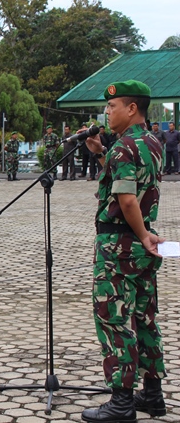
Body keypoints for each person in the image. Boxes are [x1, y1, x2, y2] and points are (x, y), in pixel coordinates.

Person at [82, 80, 167, 422]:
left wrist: (143, 234)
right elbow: (125, 182)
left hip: (120, 246)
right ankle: (153, 395)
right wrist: (100, 152)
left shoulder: (123, 147)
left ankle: (121, 403)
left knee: (113, 319)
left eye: (112, 107)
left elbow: (126, 198)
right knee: (145, 318)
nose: (107, 112)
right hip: (140, 248)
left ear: (132, 109)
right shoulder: (150, 143)